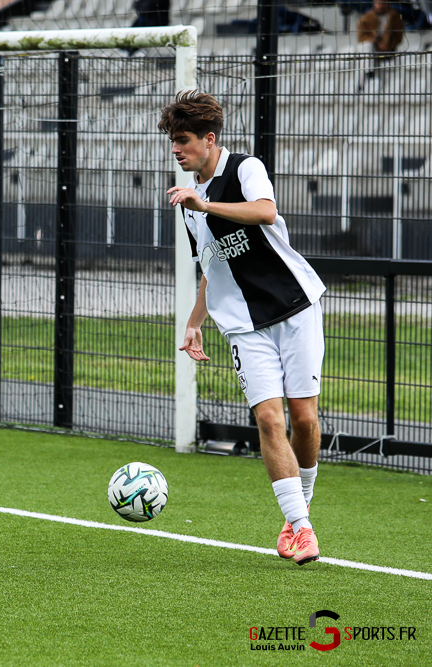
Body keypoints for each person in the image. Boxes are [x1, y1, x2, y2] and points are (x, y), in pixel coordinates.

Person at [159, 91, 327, 566]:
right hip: (244, 327)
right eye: (173, 142)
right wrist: (194, 323)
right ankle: (300, 527)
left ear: (209, 140)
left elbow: (265, 211)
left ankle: (302, 502)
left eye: (184, 141)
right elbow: (212, 267)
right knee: (270, 420)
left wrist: (206, 205)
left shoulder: (244, 167)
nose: (177, 150)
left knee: (304, 419)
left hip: (296, 308)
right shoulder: (189, 200)